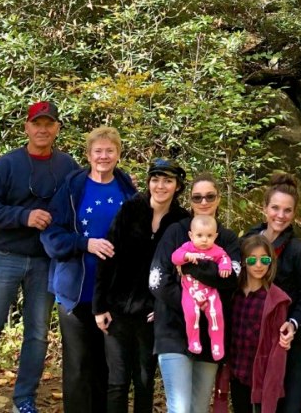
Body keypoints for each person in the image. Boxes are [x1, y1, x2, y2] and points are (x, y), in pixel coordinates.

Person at [0, 101, 78, 413]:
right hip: (5, 256)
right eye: (36, 123)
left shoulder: (68, 166)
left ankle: (24, 397)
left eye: (49, 124)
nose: (42, 129)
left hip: (45, 261)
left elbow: (86, 195)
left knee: (37, 333)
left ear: (57, 129)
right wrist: (23, 216)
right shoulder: (8, 164)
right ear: (26, 127)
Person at [40, 126, 137, 413]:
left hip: (113, 295)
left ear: (118, 154)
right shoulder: (72, 187)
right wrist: (86, 244)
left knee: (108, 370)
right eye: (98, 151)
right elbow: (52, 237)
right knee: (79, 368)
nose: (104, 156)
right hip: (76, 290)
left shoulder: (127, 190)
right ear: (88, 155)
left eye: (110, 151)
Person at [93, 157, 189, 413]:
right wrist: (99, 306)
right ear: (148, 183)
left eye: (168, 181)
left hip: (151, 315)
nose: (160, 186)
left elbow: (184, 275)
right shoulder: (130, 210)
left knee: (145, 382)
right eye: (155, 180)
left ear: (177, 186)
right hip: (117, 310)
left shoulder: (183, 222)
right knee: (117, 382)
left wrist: (165, 306)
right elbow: (107, 256)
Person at [150, 172, 241, 413]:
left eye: (209, 196)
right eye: (197, 197)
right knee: (180, 408)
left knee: (199, 408)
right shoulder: (175, 232)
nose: (203, 202)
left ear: (218, 199)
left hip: (212, 336)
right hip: (174, 331)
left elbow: (233, 279)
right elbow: (157, 280)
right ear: (189, 200)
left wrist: (189, 266)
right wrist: (190, 301)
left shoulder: (227, 239)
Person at [243, 172, 301, 413]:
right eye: (275, 208)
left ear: (294, 213)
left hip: (289, 343)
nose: (280, 216)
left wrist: (293, 324)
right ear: (264, 208)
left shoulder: (298, 249)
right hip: (253, 340)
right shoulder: (248, 241)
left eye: (287, 210)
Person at [226, 235, 292, 413]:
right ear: (244, 261)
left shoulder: (276, 300)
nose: (258, 265)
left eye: (264, 259)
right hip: (236, 373)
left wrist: (272, 383)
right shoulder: (233, 294)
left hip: (261, 379)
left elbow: (278, 351)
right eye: (252, 259)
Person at [171, 214, 233, 359]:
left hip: (210, 292)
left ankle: (217, 345)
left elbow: (225, 258)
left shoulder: (217, 250)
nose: (204, 239)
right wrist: (186, 256)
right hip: (190, 291)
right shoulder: (187, 247)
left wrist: (225, 267)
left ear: (215, 236)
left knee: (216, 315)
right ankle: (194, 342)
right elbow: (174, 257)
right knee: (192, 315)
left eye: (209, 235)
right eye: (199, 235)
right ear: (191, 236)